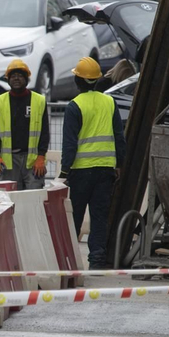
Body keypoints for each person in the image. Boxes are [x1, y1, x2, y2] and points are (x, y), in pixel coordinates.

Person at [59, 56, 125, 270]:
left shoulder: (74, 106)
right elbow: (118, 136)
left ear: (78, 80)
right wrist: (119, 164)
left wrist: (63, 171)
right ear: (96, 80)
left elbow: (70, 144)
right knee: (99, 218)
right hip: (105, 170)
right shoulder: (109, 102)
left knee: (74, 218)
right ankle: (96, 261)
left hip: (80, 172)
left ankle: (71, 263)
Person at [0, 58, 48, 189]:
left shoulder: (39, 101)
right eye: (13, 76)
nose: (16, 79)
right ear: (8, 79)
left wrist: (41, 157)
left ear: (27, 79)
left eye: (20, 76)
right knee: (11, 200)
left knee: (34, 199)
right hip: (8, 162)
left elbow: (44, 132)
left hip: (32, 161)